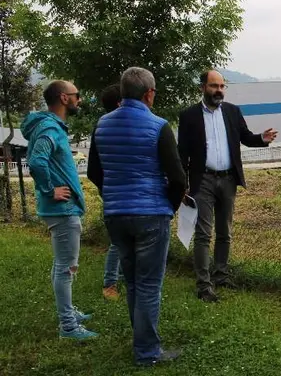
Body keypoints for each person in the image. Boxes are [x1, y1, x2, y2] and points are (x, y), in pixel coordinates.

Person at [90, 67, 187, 366]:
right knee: (148, 285)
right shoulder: (158, 126)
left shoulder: (102, 125)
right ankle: (147, 352)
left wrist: (114, 197)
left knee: (132, 281)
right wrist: (168, 208)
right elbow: (178, 178)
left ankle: (142, 341)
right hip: (150, 214)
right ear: (148, 93)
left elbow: (94, 171)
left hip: (116, 215)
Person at [178, 70, 278, 302]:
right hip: (202, 180)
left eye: (222, 86)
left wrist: (260, 139)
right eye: (214, 86)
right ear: (202, 88)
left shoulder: (232, 111)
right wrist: (182, 184)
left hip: (228, 180)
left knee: (225, 232)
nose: (219, 91)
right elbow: (182, 152)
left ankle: (221, 275)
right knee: (204, 233)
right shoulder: (189, 116)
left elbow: (244, 137)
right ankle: (204, 285)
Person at [21, 80, 98, 341]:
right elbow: (36, 160)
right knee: (67, 267)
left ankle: (69, 313)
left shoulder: (51, 127)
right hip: (62, 209)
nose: (80, 99)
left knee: (61, 265)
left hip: (63, 209)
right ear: (64, 98)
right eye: (77, 95)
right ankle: (68, 326)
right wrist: (49, 189)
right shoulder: (49, 129)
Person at [87, 83, 123, 301]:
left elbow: (93, 170)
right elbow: (93, 169)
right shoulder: (105, 128)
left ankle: (122, 277)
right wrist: (107, 189)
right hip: (117, 194)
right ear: (120, 103)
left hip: (116, 193)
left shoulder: (103, 127)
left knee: (125, 240)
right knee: (118, 241)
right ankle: (110, 283)